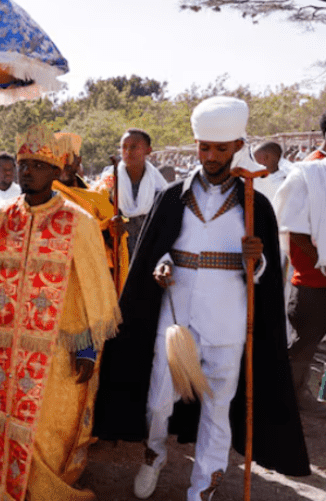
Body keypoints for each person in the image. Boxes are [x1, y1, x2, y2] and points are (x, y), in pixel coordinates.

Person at [94, 96, 310, 501]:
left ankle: (203, 489)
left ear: (237, 146)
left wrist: (256, 260)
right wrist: (161, 263)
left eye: (221, 149)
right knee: (158, 401)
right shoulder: (173, 196)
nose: (211, 157)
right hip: (175, 317)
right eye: (204, 147)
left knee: (217, 409)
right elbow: (159, 246)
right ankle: (154, 455)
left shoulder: (254, 202)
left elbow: (266, 273)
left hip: (228, 324)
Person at [0, 124, 121, 501]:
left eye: (38, 165)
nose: (27, 172)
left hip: (53, 354)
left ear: (56, 172)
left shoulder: (78, 222)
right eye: (23, 164)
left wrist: (87, 348)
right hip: (1, 352)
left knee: (45, 431)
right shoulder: (0, 218)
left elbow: (92, 290)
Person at [274, 128, 326, 418]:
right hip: (313, 280)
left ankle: (312, 396)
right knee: (305, 344)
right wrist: (322, 262)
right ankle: (287, 402)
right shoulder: (306, 173)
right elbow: (293, 231)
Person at [53, 132, 129, 292]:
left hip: (102, 276)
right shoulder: (50, 196)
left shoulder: (97, 195)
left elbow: (114, 238)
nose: (63, 164)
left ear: (78, 161)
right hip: (70, 280)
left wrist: (115, 232)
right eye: (57, 159)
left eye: (68, 158)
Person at [97, 128, 168, 257]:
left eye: (134, 147)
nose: (128, 152)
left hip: (149, 256)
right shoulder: (108, 184)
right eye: (124, 147)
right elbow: (98, 219)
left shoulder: (159, 188)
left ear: (148, 150)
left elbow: (165, 226)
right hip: (118, 256)